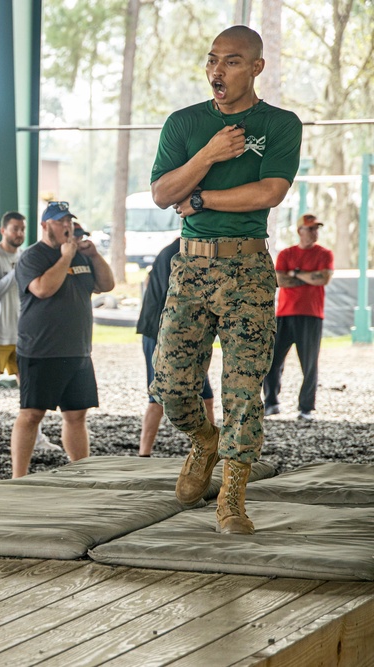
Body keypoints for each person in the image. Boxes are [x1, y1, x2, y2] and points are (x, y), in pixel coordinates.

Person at [149, 25, 302, 534]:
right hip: (190, 267)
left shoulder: (280, 123)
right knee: (170, 383)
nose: (218, 70)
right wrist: (209, 156)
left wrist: (202, 199)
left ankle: (232, 495)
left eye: (232, 61)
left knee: (242, 386)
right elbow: (161, 192)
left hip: (247, 268)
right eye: (213, 60)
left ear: (257, 67)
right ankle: (202, 440)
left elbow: (269, 192)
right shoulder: (185, 124)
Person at [11, 202, 114, 476]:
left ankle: (80, 471)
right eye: (59, 222)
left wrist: (93, 255)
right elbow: (43, 289)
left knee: (77, 414)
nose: (66, 226)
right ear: (45, 226)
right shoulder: (33, 256)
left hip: (78, 350)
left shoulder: (80, 255)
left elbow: (106, 285)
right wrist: (66, 258)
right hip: (41, 349)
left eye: (69, 221)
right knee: (32, 413)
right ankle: (18, 477)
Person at [0, 210, 56, 452]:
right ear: (3, 230)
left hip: (20, 333)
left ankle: (37, 436)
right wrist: (16, 273)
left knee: (28, 385)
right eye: (14, 228)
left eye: (22, 229)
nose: (19, 233)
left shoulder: (25, 256)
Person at [135, 238, 215, 456]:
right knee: (159, 397)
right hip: (161, 332)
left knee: (205, 396)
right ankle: (144, 454)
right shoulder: (180, 252)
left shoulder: (192, 249)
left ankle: (209, 450)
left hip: (187, 333)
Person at [263, 214, 334, 421]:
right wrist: (307, 276)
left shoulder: (324, 254)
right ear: (299, 231)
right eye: (310, 229)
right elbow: (280, 280)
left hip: (311, 315)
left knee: (309, 363)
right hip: (285, 314)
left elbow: (323, 278)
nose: (314, 233)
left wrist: (295, 274)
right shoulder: (286, 254)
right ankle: (271, 402)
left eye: (316, 229)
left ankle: (305, 407)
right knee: (272, 360)